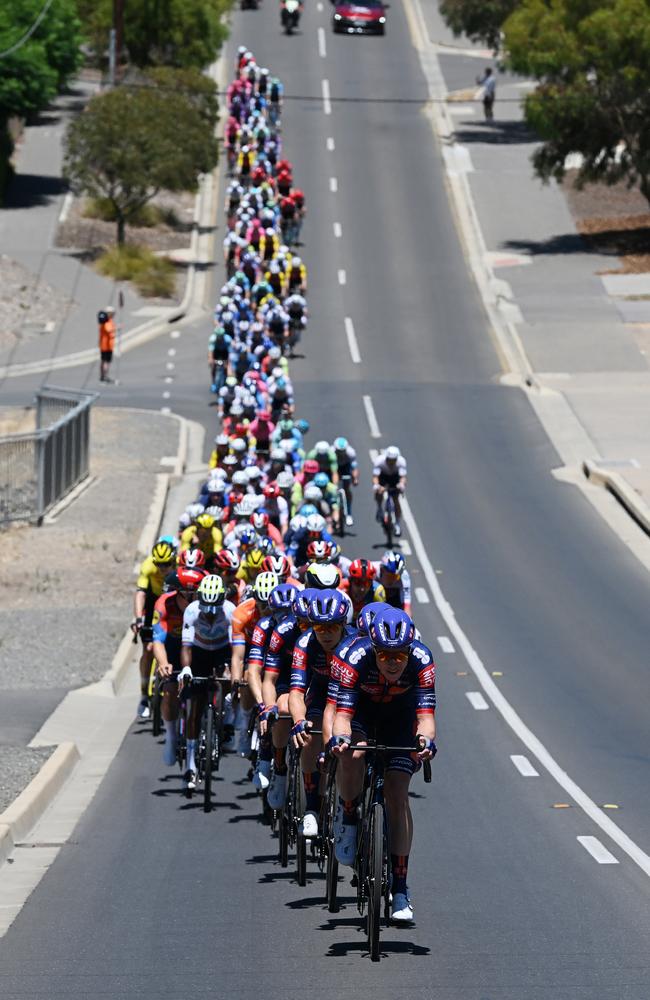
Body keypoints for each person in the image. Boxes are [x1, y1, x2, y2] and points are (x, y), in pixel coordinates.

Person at [330, 606, 437, 924]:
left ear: (409, 651)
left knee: (397, 792)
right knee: (354, 754)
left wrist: (426, 742)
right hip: (362, 712)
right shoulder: (354, 657)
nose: (393, 663)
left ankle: (401, 889)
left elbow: (425, 719)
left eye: (399, 656)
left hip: (401, 717)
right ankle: (348, 815)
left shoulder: (422, 660)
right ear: (373, 649)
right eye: (386, 656)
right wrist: (340, 740)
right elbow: (342, 717)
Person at [372, 445, 407, 537]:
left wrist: (401, 485)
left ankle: (397, 524)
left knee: (396, 500)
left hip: (394, 478)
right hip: (383, 477)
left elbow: (402, 477)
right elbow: (375, 477)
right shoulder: (379, 461)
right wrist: (377, 486)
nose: (391, 462)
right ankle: (379, 508)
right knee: (379, 492)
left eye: (393, 460)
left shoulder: (401, 462)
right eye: (389, 459)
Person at [98, 307, 116, 383]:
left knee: (103, 361)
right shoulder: (107, 321)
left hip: (104, 344)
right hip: (107, 345)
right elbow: (109, 330)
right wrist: (117, 328)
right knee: (106, 361)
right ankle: (105, 376)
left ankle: (103, 375)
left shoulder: (103, 321)